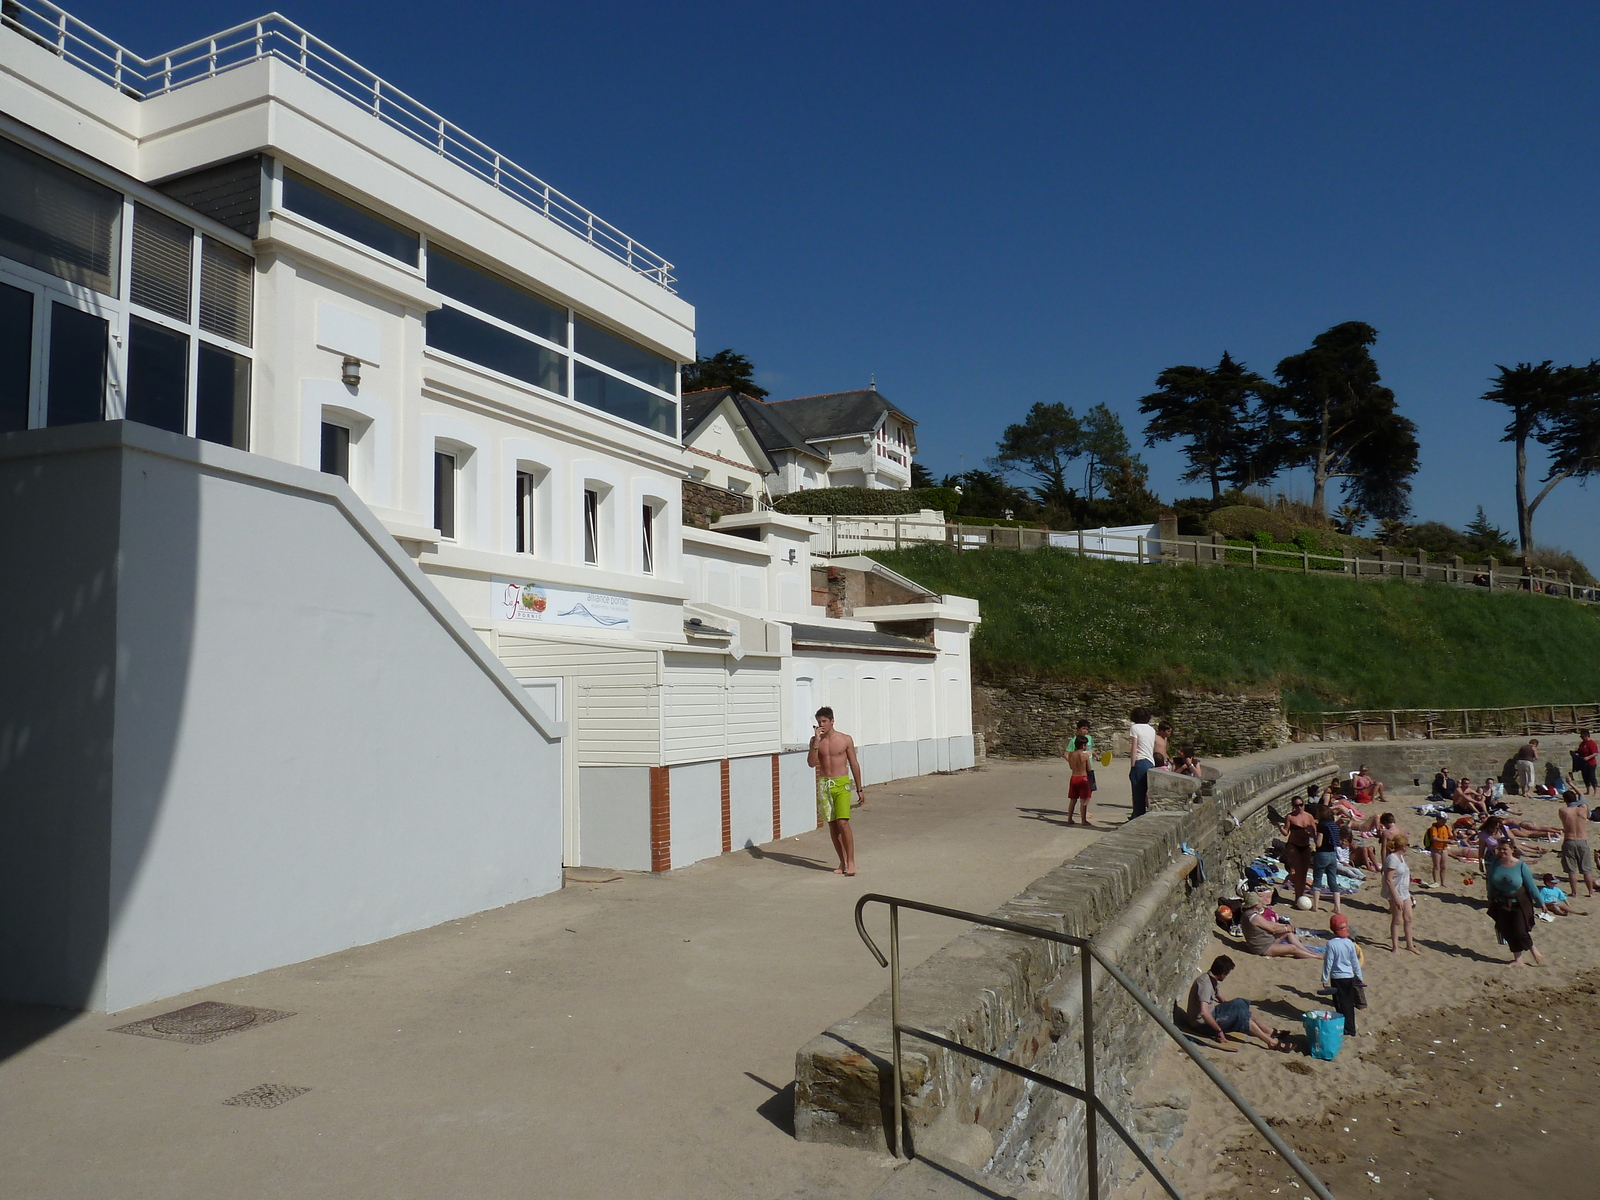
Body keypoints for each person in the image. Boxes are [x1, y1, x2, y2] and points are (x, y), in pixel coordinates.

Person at [1186, 955, 1288, 1050]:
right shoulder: (1206, 985)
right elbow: (1204, 1012)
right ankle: (1270, 1042)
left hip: (1212, 1013)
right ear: (1223, 974)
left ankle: (1268, 1031)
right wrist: (1219, 1031)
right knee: (1242, 1018)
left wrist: (1239, 1007)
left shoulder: (1211, 979)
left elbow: (1223, 999)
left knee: (1242, 1004)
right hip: (1201, 1025)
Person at [808, 707, 863, 876]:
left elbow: (854, 763)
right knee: (832, 825)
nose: (821, 725)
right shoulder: (815, 741)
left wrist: (860, 789)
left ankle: (851, 861)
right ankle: (842, 861)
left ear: (832, 721)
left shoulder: (845, 739)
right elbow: (811, 763)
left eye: (824, 721)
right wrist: (816, 743)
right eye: (819, 722)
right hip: (825, 784)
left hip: (841, 783)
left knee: (843, 822)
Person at [1484, 840, 1544, 966]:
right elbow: (1490, 881)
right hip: (1501, 901)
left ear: (1512, 849)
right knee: (1507, 931)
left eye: (1505, 849)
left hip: (1519, 902)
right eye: (1500, 849)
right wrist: (1490, 896)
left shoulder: (1521, 866)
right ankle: (1518, 959)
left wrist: (1541, 902)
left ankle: (1534, 951)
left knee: (1520, 931)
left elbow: (1531, 886)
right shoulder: (1495, 863)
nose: (1502, 852)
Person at [1239, 891, 1322, 958]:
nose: (1262, 902)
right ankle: (1316, 956)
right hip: (1263, 947)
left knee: (1288, 934)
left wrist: (1285, 927)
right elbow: (1272, 929)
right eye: (1260, 901)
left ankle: (1307, 952)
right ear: (1255, 904)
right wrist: (1286, 928)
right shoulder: (1255, 917)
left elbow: (1269, 924)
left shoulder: (1247, 914)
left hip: (1266, 941)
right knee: (1292, 948)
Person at [1321, 913, 1364, 1035]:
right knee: (1349, 1003)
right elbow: (1355, 962)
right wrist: (1360, 977)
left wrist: (1324, 979)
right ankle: (1351, 1027)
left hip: (1337, 978)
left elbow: (1328, 963)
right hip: (1349, 977)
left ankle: (1346, 1028)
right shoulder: (1350, 943)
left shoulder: (1331, 944)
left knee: (1340, 1004)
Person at [1382, 832, 1418, 954]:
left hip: (1404, 891)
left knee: (1409, 918)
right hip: (1395, 893)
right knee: (1397, 920)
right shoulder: (1392, 859)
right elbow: (1388, 879)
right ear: (1403, 846)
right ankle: (1395, 946)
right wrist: (1396, 897)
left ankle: (1410, 945)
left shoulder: (1401, 857)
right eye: (1407, 844)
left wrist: (1408, 892)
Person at [1557, 793, 1597, 899]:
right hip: (1582, 840)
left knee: (1572, 869)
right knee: (1586, 869)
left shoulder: (1563, 811)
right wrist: (1572, 784)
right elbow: (1583, 797)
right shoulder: (1583, 809)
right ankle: (1590, 892)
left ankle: (1574, 892)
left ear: (1565, 800)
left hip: (1569, 840)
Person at [1280, 795, 1318, 905]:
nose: (1299, 807)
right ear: (1293, 806)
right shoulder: (1290, 817)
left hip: (1305, 846)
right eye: (1296, 805)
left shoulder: (1309, 817)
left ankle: (1300, 896)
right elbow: (1286, 832)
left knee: (1304, 873)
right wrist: (1278, 826)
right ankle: (1297, 898)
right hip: (1293, 845)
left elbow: (1314, 834)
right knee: (1299, 871)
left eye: (1301, 805)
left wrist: (1312, 835)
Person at [1310, 802, 1343, 914]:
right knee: (1332, 880)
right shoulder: (1333, 825)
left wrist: (1312, 833)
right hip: (1332, 854)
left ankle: (1315, 906)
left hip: (1322, 854)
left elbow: (1318, 843)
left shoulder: (1322, 825)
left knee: (1317, 879)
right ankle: (1337, 907)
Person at [1128, 707, 1156, 819]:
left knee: (1137, 793)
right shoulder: (1151, 729)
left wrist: (1132, 765)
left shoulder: (1135, 728)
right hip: (1150, 762)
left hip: (1140, 761)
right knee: (1145, 793)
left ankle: (1136, 817)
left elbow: (1134, 747)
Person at [1065, 735, 1093, 826]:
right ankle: (1083, 820)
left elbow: (1071, 767)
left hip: (1074, 777)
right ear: (1084, 745)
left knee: (1073, 799)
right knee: (1083, 801)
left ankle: (1069, 818)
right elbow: (1089, 768)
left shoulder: (1071, 755)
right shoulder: (1085, 756)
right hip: (1083, 778)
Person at [1425, 812, 1452, 887]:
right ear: (1438, 819)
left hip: (1444, 848)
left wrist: (1455, 834)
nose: (1444, 822)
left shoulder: (1446, 827)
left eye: (1445, 820)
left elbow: (1451, 836)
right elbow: (1434, 838)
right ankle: (1435, 881)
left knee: (1444, 866)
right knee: (1436, 866)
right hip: (1435, 849)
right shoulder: (1434, 828)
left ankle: (1443, 882)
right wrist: (1446, 841)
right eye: (1443, 820)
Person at [1074, 719, 1098, 797]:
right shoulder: (1074, 740)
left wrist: (1096, 755)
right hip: (1081, 770)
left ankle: (1085, 805)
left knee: (1091, 787)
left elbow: (1091, 749)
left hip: (1090, 767)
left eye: (1087, 729)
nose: (1085, 731)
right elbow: (1067, 753)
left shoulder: (1089, 738)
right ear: (1078, 729)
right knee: (1080, 790)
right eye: (1083, 728)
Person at [1578, 730, 1599, 796]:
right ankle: (1588, 790)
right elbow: (1580, 751)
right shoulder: (1582, 743)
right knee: (1585, 776)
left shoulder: (1591, 743)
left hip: (1591, 763)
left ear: (1587, 736)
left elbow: (1595, 753)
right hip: (1583, 762)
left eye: (1583, 736)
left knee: (1592, 776)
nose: (1582, 738)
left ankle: (1596, 791)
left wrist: (1588, 757)